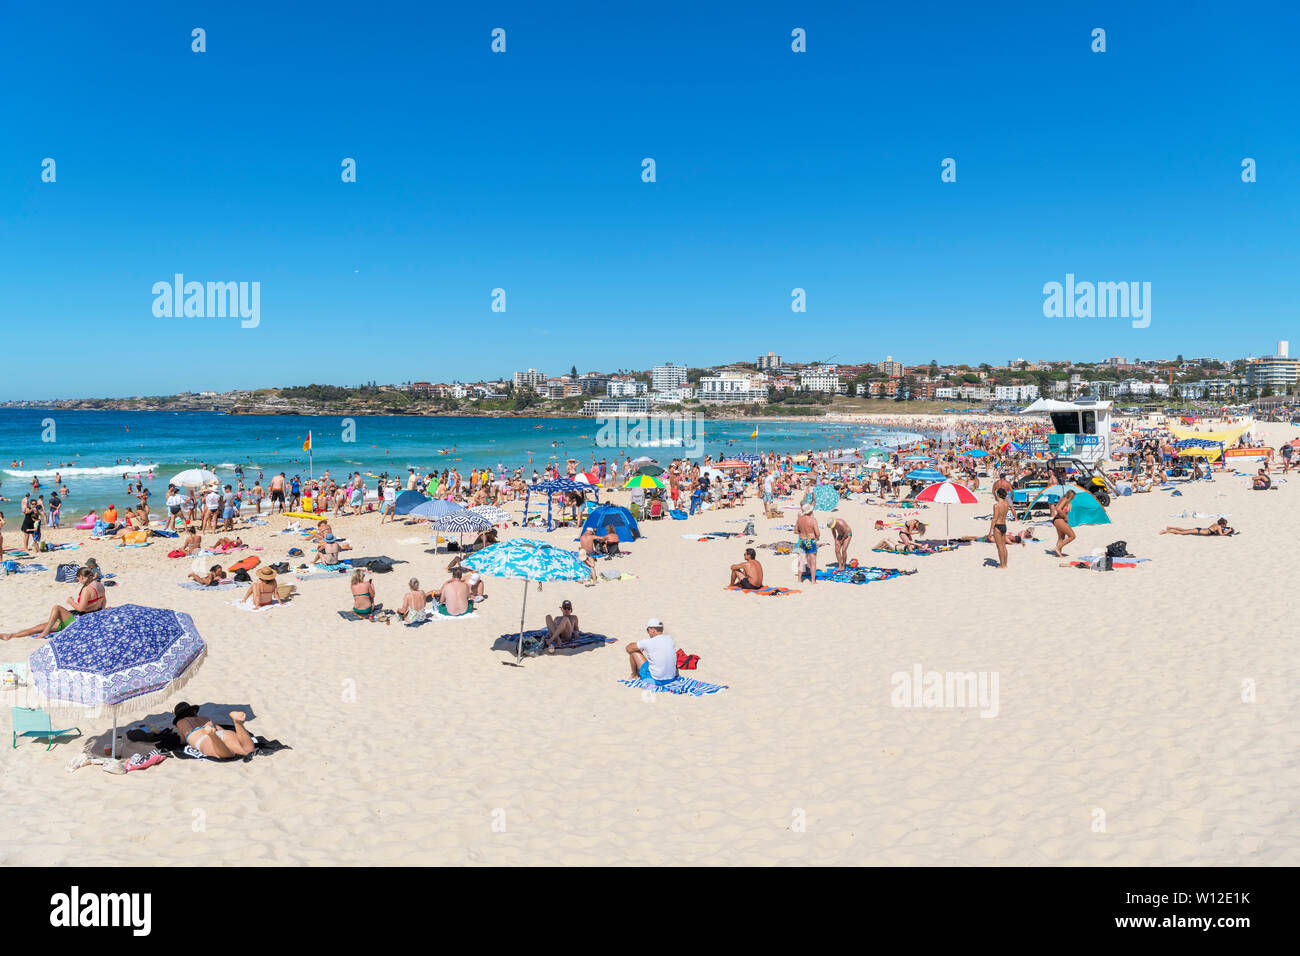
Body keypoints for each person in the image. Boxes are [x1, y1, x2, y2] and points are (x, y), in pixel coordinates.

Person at [1, 567, 106, 639]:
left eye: (79, 579)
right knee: (41, 626)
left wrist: (71, 602)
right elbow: (103, 602)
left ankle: (44, 632)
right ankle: (11, 635)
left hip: (81, 620)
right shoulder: (99, 585)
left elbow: (81, 609)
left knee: (56, 608)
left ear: (82, 577)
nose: (79, 581)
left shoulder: (87, 590)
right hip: (92, 617)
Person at [172, 702, 256, 758]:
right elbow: (220, 728)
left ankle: (213, 736)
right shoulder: (204, 718)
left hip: (204, 740)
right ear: (193, 711)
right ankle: (237, 723)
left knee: (227, 755)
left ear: (179, 716)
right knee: (248, 750)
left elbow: (182, 741)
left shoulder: (181, 722)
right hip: (222, 733)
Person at [625, 618, 677, 683]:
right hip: (672, 677)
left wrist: (638, 648)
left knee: (633, 652)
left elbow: (628, 648)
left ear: (652, 630)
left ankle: (634, 675)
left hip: (656, 680)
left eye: (648, 630)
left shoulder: (649, 642)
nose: (648, 633)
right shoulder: (670, 639)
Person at [794, 503, 821, 583]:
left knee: (801, 561)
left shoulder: (799, 520)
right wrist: (816, 536)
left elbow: (795, 531)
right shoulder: (813, 520)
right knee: (813, 561)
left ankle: (799, 579)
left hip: (802, 540)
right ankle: (813, 580)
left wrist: (802, 531)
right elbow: (818, 533)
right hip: (811, 541)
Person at [989, 487, 1011, 569]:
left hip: (998, 526)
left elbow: (994, 519)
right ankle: (1005, 564)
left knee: (999, 546)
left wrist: (990, 531)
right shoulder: (1006, 504)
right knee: (1004, 546)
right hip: (1004, 525)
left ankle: (1002, 565)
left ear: (998, 494)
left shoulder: (996, 505)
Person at [1050, 490, 1077, 557]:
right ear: (1071, 496)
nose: (1074, 498)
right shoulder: (1065, 499)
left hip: (1057, 520)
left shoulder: (1063, 499)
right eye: (1073, 497)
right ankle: (1058, 548)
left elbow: (1058, 508)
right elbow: (1058, 509)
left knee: (1061, 538)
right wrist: (1065, 517)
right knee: (1072, 536)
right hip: (1059, 520)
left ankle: (1058, 552)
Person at [1161, 519, 1234, 536]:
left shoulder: (1215, 524)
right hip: (1199, 531)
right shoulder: (1219, 527)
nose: (1225, 526)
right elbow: (1221, 534)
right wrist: (1228, 531)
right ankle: (1167, 531)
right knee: (1183, 533)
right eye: (1225, 525)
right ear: (1222, 524)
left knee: (1185, 529)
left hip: (1200, 529)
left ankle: (1170, 527)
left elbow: (1215, 530)